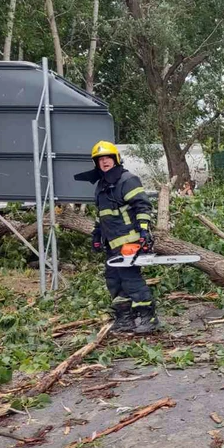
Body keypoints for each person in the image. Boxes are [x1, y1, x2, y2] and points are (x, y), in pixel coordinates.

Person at [86, 141, 159, 334]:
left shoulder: (127, 180)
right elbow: (102, 215)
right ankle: (124, 318)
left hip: (130, 241)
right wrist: (97, 234)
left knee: (130, 279)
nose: (104, 162)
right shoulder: (101, 185)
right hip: (112, 244)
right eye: (100, 159)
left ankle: (148, 316)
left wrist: (144, 231)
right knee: (113, 280)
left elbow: (142, 206)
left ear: (115, 158)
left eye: (107, 158)